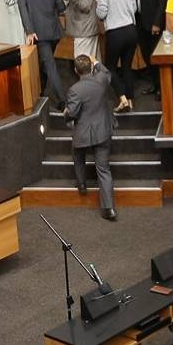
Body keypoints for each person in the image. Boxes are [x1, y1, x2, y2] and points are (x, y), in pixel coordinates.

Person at [66, 54, 118, 222]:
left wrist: (66, 114)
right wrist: (95, 61)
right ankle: (108, 208)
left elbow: (72, 113)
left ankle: (81, 184)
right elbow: (105, 71)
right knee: (103, 169)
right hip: (103, 130)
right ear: (91, 68)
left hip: (84, 133)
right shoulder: (101, 79)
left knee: (77, 153)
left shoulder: (75, 90)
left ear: (76, 71)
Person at [17, 0, 70, 109]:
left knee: (49, 65)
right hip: (54, 32)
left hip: (38, 35)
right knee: (46, 62)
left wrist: (29, 32)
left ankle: (62, 101)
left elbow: (24, 14)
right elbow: (61, 7)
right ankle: (40, 91)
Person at [95, 0, 140, 112]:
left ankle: (122, 99)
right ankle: (131, 98)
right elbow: (134, 8)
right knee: (127, 67)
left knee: (110, 68)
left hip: (115, 33)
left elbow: (101, 14)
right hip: (131, 30)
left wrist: (97, 5)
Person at [64, 0, 101, 64]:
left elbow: (85, 6)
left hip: (84, 30)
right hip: (85, 29)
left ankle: (86, 81)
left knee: (82, 64)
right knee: (92, 62)